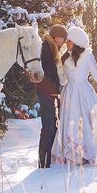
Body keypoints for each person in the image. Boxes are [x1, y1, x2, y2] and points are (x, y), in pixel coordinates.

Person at [51, 26, 97, 166]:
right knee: (71, 122)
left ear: (77, 42)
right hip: (69, 94)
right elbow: (63, 81)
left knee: (88, 123)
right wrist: (59, 69)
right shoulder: (64, 57)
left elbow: (96, 75)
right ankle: (74, 155)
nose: (67, 43)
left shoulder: (87, 56)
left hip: (84, 93)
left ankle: (89, 153)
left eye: (69, 41)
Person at [34, 24, 67, 168]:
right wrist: (51, 89)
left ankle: (48, 160)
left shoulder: (53, 50)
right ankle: (43, 162)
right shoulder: (45, 49)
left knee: (52, 126)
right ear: (56, 37)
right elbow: (42, 73)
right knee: (48, 126)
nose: (63, 41)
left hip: (51, 93)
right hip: (45, 93)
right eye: (62, 38)